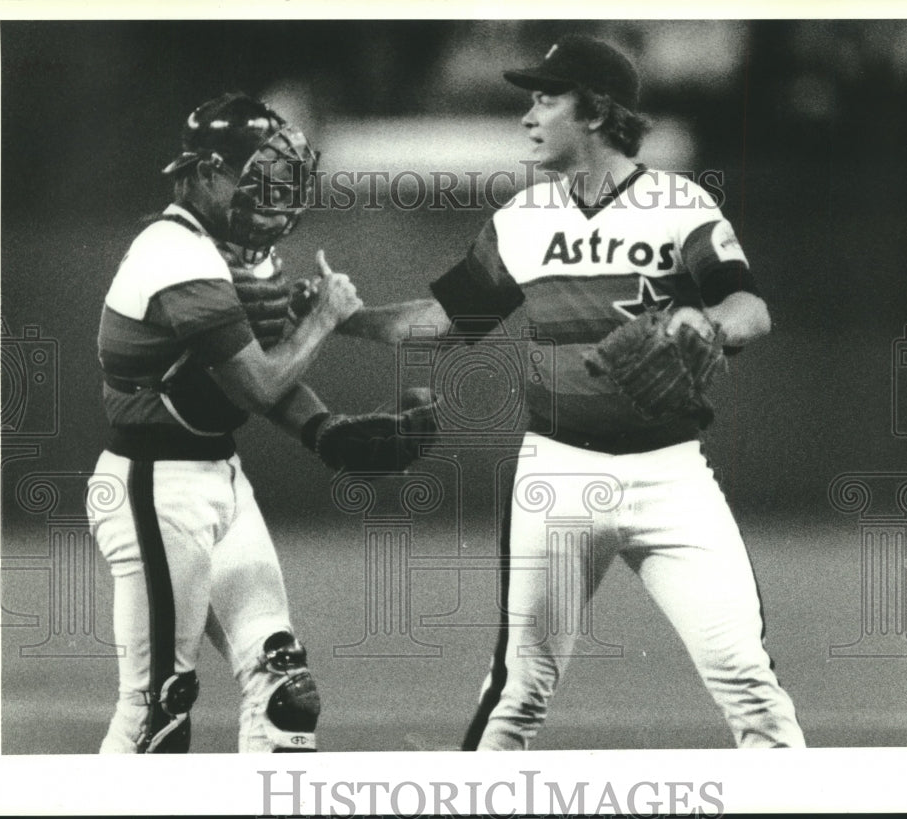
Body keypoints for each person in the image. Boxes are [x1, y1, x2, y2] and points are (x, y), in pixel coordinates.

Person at [342, 35, 806, 750]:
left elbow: (750, 308)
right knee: (517, 693)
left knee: (749, 682)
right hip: (556, 476)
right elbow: (441, 322)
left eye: (544, 97)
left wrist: (707, 324)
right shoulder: (521, 220)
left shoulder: (679, 203)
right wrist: (346, 318)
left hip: (671, 477)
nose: (528, 113)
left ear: (592, 110)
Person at [88, 92, 430, 753]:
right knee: (158, 709)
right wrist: (325, 318)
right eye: (258, 176)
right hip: (154, 487)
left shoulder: (233, 253)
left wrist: (327, 429)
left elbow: (249, 376)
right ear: (206, 171)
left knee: (285, 691)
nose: (274, 195)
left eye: (281, 179)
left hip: (218, 476)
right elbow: (257, 379)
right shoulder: (172, 250)